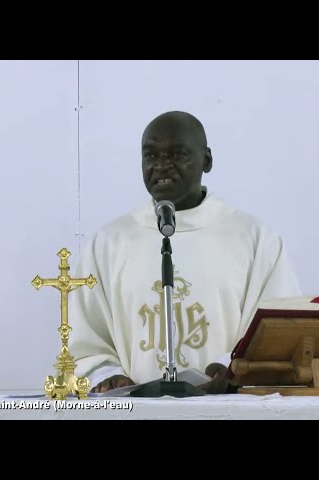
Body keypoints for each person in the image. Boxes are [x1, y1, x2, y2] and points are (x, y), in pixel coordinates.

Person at [67, 111, 302, 394]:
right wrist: (109, 374)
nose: (162, 166)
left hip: (226, 409)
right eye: (151, 156)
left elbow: (277, 330)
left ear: (207, 160)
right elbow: (86, 337)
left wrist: (233, 369)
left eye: (177, 155)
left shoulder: (255, 239)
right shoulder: (108, 243)